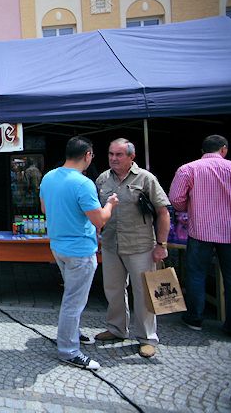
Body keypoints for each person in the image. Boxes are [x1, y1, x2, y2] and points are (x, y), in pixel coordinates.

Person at [39, 136, 118, 370]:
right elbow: (100, 220)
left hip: (58, 247)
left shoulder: (49, 177)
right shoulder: (84, 183)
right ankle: (68, 350)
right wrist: (111, 204)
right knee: (74, 301)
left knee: (71, 297)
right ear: (88, 155)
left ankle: (71, 334)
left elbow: (44, 208)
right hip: (80, 251)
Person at [94, 139, 171, 358]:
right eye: (110, 154)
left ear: (131, 157)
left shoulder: (146, 178)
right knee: (113, 289)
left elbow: (163, 212)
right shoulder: (102, 179)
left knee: (143, 292)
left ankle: (147, 337)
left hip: (140, 245)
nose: (113, 159)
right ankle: (117, 329)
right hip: (111, 244)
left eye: (119, 155)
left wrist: (161, 245)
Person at [169, 134, 231, 336]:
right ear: (223, 149)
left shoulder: (188, 169)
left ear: (202, 151)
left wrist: (191, 207)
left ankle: (195, 318)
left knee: (196, 273)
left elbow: (176, 200)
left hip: (200, 230)